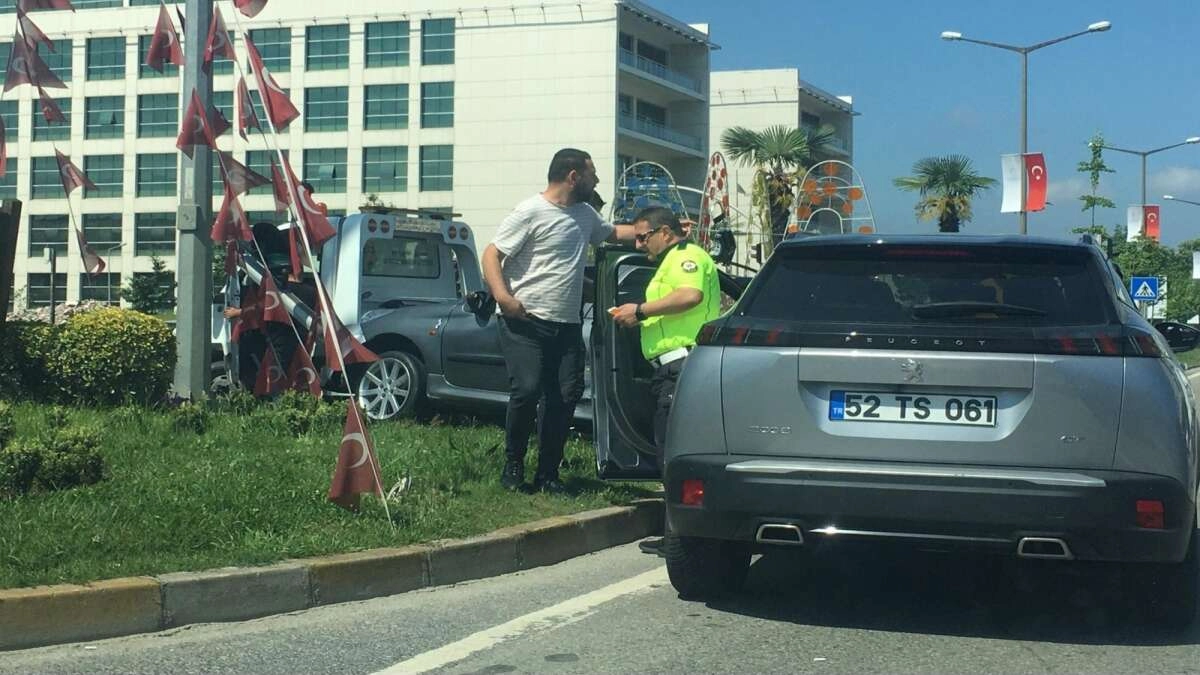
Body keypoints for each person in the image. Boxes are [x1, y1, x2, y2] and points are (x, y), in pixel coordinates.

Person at [482, 148, 636, 494]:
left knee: (565, 396)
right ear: (573, 176)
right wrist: (504, 298)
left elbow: (614, 233)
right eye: (592, 175)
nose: (597, 180)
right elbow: (491, 254)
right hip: (525, 320)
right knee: (527, 389)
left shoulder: (585, 214)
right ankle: (513, 465)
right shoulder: (530, 211)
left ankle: (548, 474)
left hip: (566, 324)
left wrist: (657, 228)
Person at [611, 206, 722, 553]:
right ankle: (683, 534)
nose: (639, 244)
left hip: (682, 366)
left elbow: (690, 296)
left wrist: (640, 310)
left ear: (665, 232)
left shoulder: (686, 257)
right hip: (672, 368)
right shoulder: (669, 261)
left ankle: (683, 538)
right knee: (670, 451)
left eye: (643, 237)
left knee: (673, 453)